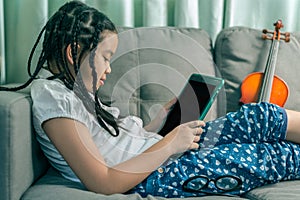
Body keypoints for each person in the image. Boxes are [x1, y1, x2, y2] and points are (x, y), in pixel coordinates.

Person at [1, 1, 300, 198]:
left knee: (261, 116)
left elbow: (116, 144)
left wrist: (158, 126)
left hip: (159, 151)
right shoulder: (53, 98)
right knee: (266, 157)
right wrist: (169, 144)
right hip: (153, 174)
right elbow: (102, 180)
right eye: (105, 58)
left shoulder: (75, 93)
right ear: (73, 51)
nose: (109, 68)